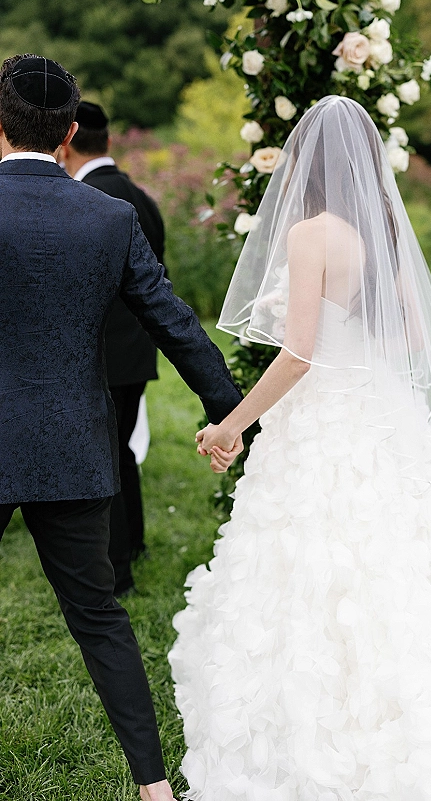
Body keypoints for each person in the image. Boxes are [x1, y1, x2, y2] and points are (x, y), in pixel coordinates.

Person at [169, 96, 431, 800]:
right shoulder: (381, 228)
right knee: (412, 550)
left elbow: (298, 355)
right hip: (379, 407)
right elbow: (413, 337)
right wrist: (351, 336)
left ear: (310, 163)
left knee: (326, 553)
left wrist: (233, 422)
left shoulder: (310, 235)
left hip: (325, 416)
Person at [0, 54, 243, 801]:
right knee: (99, 618)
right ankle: (154, 786)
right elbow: (173, 320)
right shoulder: (111, 216)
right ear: (70, 132)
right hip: (75, 445)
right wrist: (231, 415)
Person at [61, 100, 166, 597]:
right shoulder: (141, 197)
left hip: (100, 356)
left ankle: (117, 570)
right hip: (138, 353)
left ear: (67, 142)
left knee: (105, 462)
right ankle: (136, 543)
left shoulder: (85, 202)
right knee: (121, 452)